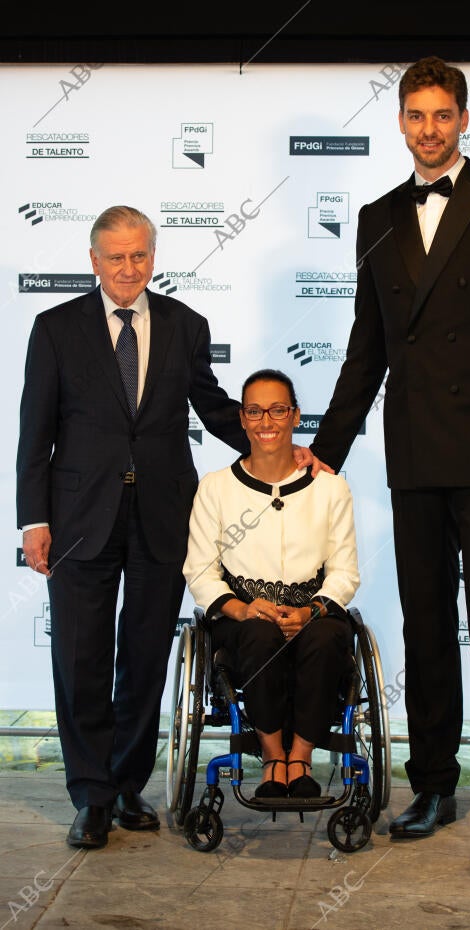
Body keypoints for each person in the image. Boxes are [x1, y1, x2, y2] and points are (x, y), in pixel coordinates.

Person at [309, 56, 470, 876]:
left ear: (463, 118)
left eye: (441, 114)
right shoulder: (378, 215)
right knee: (425, 629)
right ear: (400, 122)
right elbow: (366, 350)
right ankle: (431, 784)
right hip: (415, 453)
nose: (429, 129)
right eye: (415, 115)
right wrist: (327, 453)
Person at [15, 206, 312, 849]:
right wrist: (32, 520)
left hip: (162, 518)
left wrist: (279, 443)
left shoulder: (185, 325)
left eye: (140, 256)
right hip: (75, 523)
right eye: (116, 258)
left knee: (146, 659)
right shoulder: (55, 328)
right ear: (94, 261)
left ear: (154, 257)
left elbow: (212, 408)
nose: (129, 269)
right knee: (81, 658)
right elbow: (34, 434)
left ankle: (126, 788)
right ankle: (90, 795)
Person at [183, 368, 360, 798]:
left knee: (324, 638)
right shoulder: (216, 488)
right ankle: (272, 757)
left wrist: (309, 611)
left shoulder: (330, 487)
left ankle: (300, 757)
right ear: (241, 419)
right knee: (259, 633)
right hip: (241, 613)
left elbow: (345, 573)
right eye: (255, 412)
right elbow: (200, 571)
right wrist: (241, 608)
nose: (267, 422)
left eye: (278, 410)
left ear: (296, 416)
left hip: (312, 608)